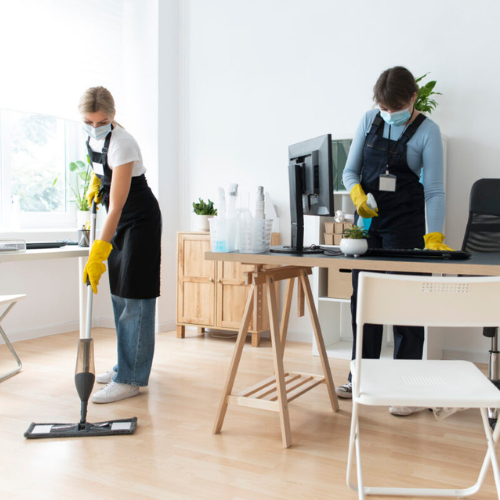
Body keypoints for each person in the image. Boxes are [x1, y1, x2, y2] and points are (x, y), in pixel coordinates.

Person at [336, 66, 452, 416]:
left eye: (396, 107)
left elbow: (433, 191)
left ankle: (406, 387)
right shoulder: (369, 120)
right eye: (384, 108)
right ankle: (361, 376)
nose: (389, 114)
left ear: (412, 98)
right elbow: (350, 171)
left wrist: (434, 236)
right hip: (368, 226)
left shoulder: (428, 132)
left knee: (407, 306)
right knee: (365, 302)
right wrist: (357, 196)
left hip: (407, 226)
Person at [79, 86, 162, 404]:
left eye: (101, 122)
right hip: (119, 220)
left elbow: (117, 205)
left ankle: (131, 379)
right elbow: (105, 178)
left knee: (135, 297)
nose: (95, 127)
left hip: (138, 220)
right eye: (89, 121)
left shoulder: (123, 143)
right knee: (119, 296)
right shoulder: (91, 138)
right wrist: (96, 186)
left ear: (112, 117)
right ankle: (124, 366)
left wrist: (99, 251)